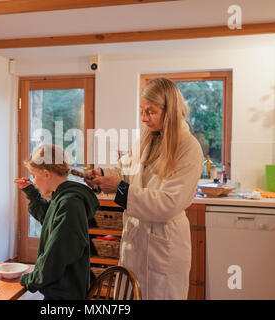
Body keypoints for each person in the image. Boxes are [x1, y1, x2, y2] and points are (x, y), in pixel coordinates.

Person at [84, 77, 203, 300]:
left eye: (151, 111)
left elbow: (168, 204)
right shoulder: (146, 141)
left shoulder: (188, 148)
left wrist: (119, 190)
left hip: (163, 244)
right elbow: (124, 170)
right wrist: (102, 175)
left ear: (170, 110)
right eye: (141, 110)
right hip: (136, 240)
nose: (143, 118)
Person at [14, 144, 99, 300]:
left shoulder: (69, 204)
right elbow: (50, 219)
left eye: (34, 175)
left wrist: (28, 279)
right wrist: (32, 193)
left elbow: (55, 256)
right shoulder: (63, 198)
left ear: (46, 174)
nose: (34, 181)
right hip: (61, 291)